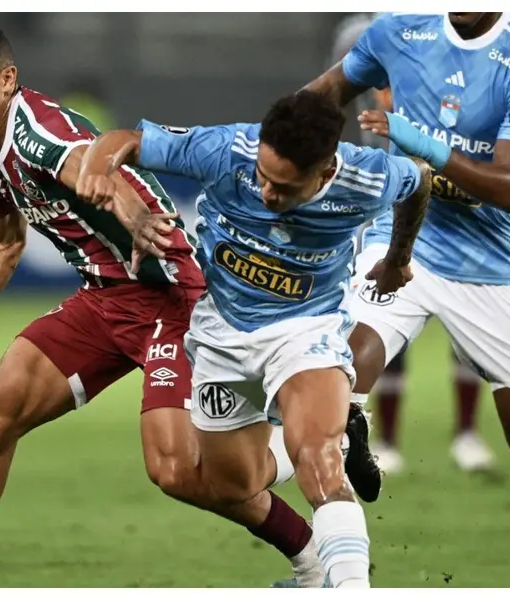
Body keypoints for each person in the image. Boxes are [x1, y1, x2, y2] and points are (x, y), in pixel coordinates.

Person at [0, 20, 375, 588]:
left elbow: (87, 163)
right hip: (105, 299)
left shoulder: (34, 128)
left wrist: (132, 212)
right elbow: (4, 244)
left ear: (6, 80)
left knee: (177, 471)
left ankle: (314, 543)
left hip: (173, 296)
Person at [76, 90, 434, 588]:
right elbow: (125, 142)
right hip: (220, 334)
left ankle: (349, 582)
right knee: (233, 484)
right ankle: (337, 431)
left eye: (285, 188)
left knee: (320, 464)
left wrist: (398, 258)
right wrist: (97, 164)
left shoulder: (367, 176)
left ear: (326, 172)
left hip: (304, 330)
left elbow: (420, 179)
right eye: (264, 177)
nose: (267, 193)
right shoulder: (227, 150)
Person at [305, 12, 510, 587]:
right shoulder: (396, 33)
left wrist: (421, 144)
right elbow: (323, 94)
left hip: (489, 261)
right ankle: (327, 562)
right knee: (342, 368)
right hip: (402, 236)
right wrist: (282, 150)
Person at [329, 13, 496, 475]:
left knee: (467, 320)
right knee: (382, 310)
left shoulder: (456, 26)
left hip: (454, 184)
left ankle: (467, 434)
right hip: (388, 181)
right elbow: (341, 99)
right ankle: (381, 439)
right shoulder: (358, 31)